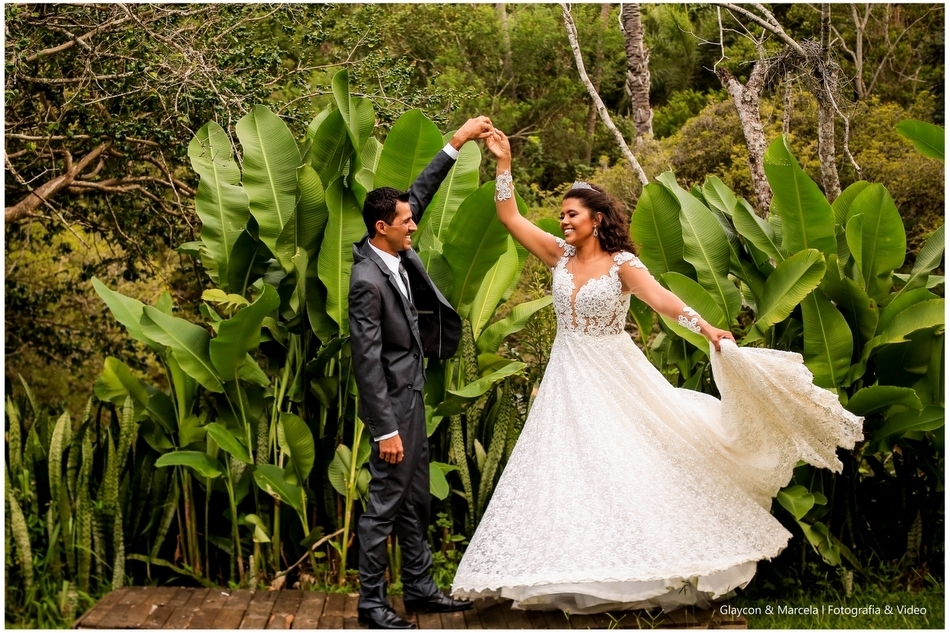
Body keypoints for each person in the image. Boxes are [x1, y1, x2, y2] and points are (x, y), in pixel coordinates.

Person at [449, 129, 864, 614]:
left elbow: (662, 300)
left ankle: (653, 566)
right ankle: (577, 572)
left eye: (571, 214)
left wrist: (706, 327)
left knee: (630, 459)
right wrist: (504, 163)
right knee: (568, 467)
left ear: (597, 219)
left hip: (613, 371)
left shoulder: (621, 263)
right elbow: (509, 215)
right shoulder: (556, 256)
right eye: (561, 214)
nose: (563, 220)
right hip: (568, 374)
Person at [349, 116, 494, 629]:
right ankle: (371, 605)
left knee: (413, 501)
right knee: (384, 504)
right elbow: (365, 361)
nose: (415, 224)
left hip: (412, 396)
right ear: (382, 227)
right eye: (406, 221)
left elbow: (421, 193)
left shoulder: (392, 249)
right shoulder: (367, 280)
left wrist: (457, 141)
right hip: (393, 406)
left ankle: (421, 588)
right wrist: (385, 427)